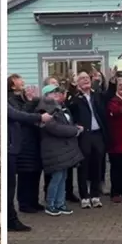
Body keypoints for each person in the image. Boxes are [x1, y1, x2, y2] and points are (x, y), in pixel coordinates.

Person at [7, 75, 51, 232]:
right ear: (12, 85)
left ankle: (15, 214)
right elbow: (18, 115)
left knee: (21, 179)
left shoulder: (21, 98)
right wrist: (39, 116)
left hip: (19, 143)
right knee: (12, 184)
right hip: (14, 144)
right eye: (19, 79)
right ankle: (13, 216)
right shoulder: (9, 100)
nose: (23, 82)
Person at [38, 84, 83, 216]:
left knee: (63, 176)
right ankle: (51, 204)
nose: (57, 94)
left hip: (63, 147)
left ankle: (60, 203)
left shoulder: (60, 107)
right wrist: (75, 131)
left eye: (57, 92)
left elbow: (65, 124)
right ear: (46, 95)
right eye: (53, 93)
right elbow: (54, 128)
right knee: (57, 177)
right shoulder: (44, 109)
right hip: (53, 148)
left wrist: (74, 127)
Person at [68, 71, 107, 209]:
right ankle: (84, 196)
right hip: (84, 136)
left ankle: (95, 195)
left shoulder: (97, 96)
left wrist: (106, 80)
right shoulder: (75, 98)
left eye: (87, 78)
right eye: (82, 79)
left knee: (97, 166)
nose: (85, 80)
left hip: (98, 135)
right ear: (77, 83)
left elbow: (107, 95)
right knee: (83, 167)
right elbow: (69, 111)